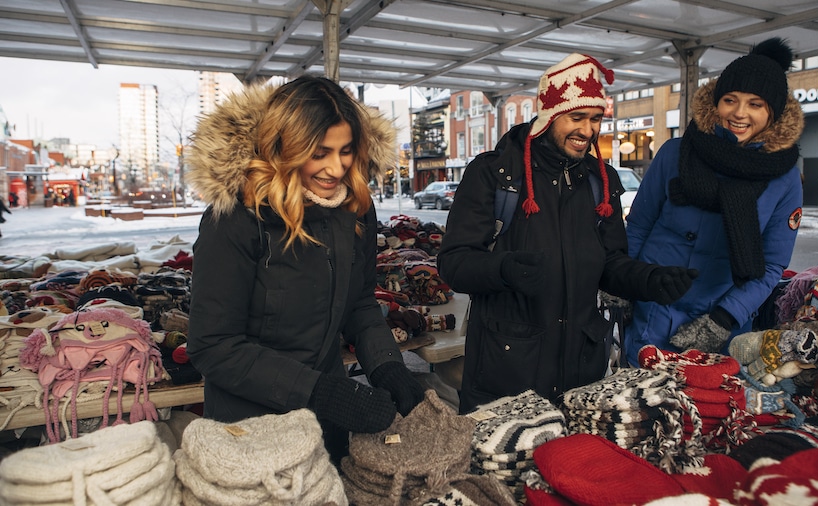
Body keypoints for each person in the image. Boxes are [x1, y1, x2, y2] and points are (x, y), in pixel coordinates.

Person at [437, 54, 699, 413]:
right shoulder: (494, 174)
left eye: (595, 119)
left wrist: (649, 279)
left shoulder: (600, 180)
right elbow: (453, 264)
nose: (588, 131)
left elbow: (610, 263)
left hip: (582, 372)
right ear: (548, 116)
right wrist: (503, 269)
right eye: (576, 118)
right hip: (507, 370)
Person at [185, 75, 425, 462]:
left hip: (326, 418)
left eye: (346, 151)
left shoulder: (354, 207)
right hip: (250, 426)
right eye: (319, 152)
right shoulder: (236, 218)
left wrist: (386, 366)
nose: (336, 168)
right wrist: (321, 392)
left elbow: (360, 303)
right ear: (286, 147)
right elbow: (213, 346)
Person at [623, 38, 804, 366]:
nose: (739, 113)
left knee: (709, 411)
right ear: (716, 103)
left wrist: (723, 319)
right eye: (730, 100)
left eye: (755, 104)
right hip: (653, 310)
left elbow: (772, 264)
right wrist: (622, 282)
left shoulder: (784, 177)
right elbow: (637, 226)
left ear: (773, 113)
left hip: (720, 322)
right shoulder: (676, 152)